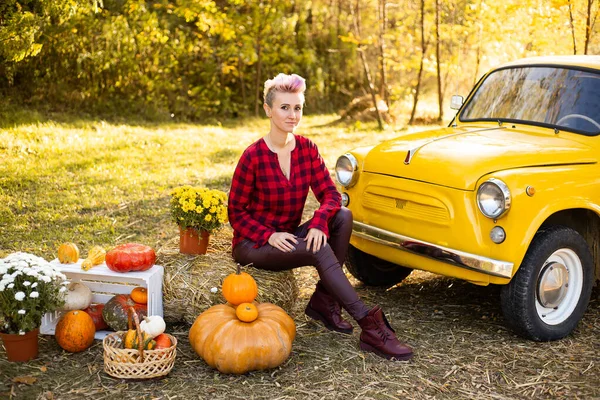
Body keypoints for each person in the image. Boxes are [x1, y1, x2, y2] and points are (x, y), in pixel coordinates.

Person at [227, 73, 413, 361]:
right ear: (268, 110)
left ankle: (324, 302)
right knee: (320, 249)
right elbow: (235, 213)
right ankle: (370, 326)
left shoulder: (307, 149)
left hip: (291, 238)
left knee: (342, 216)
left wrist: (318, 222)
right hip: (255, 244)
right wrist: (269, 235)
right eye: (284, 107)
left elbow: (331, 195)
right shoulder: (252, 156)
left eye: (298, 108)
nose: (292, 115)